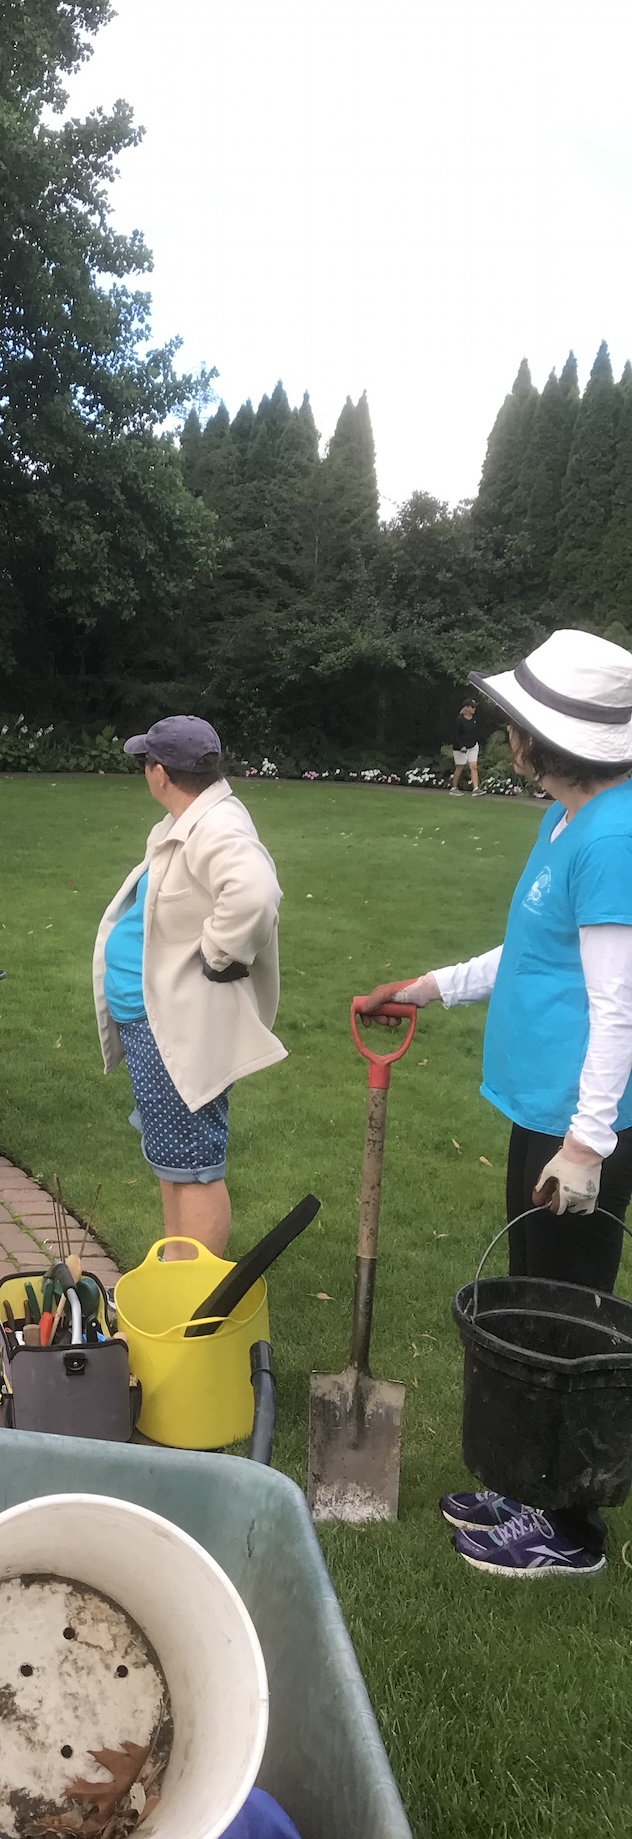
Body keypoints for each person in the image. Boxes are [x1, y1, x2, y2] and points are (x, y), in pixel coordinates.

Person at [361, 628, 632, 1578]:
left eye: (518, 720)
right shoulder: (569, 819)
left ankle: (570, 1528)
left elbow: (618, 1004)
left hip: (579, 1125)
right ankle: (527, 1482)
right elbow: (527, 951)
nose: (507, 732)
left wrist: (588, 1145)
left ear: (546, 739)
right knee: (533, 1296)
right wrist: (428, 986)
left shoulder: (614, 834)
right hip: (545, 1109)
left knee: (569, 1319)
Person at [92, 717, 285, 1259]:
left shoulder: (217, 827)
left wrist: (219, 953)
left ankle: (195, 1302)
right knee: (172, 1159)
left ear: (160, 772)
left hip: (178, 1026)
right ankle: (177, 1277)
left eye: (145, 764)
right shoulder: (195, 818)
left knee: (194, 1166)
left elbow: (255, 893)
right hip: (153, 1021)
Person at [451, 698, 482, 794]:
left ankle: (476, 788)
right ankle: (454, 788)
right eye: (472, 707)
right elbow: (456, 734)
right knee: (460, 767)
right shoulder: (459, 719)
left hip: (472, 746)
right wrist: (461, 746)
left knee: (473, 766)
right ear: (466, 707)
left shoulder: (475, 719)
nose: (474, 709)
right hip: (461, 748)